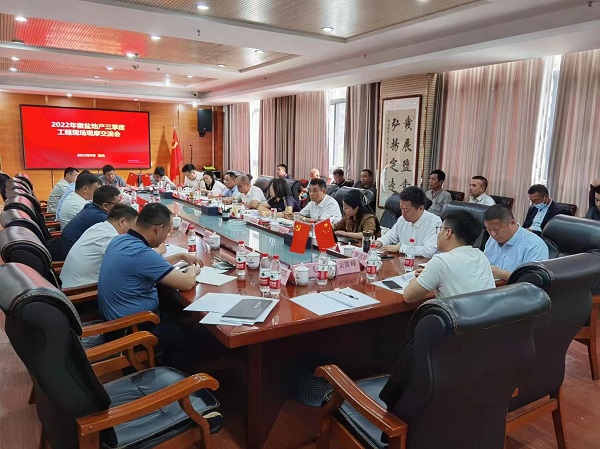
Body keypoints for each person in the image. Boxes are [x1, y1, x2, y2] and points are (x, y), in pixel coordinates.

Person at [97, 203, 204, 363]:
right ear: (158, 229)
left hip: (115, 321)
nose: (166, 236)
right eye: (168, 231)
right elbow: (187, 283)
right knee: (193, 338)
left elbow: (148, 265)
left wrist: (180, 256)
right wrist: (192, 270)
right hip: (134, 327)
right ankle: (174, 373)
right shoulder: (142, 253)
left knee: (176, 311)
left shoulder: (120, 240)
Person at [403, 210, 496, 303]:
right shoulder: (481, 255)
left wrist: (418, 279)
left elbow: (409, 296)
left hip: (457, 312)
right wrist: (429, 274)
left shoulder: (441, 261)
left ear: (448, 233)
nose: (438, 233)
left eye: (440, 229)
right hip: (488, 312)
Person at [60, 204, 138, 288]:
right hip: (79, 291)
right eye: (134, 227)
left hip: (66, 283)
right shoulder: (110, 237)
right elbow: (131, 263)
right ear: (122, 222)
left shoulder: (98, 226)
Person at [483, 205, 549, 280]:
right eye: (489, 229)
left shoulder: (535, 246)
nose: (493, 234)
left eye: (496, 229)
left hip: (515, 287)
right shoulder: (493, 238)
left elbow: (533, 280)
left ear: (512, 223)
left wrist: (504, 275)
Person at [56, 185, 121, 260]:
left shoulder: (90, 207)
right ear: (105, 206)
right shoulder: (99, 217)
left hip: (66, 249)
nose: (120, 207)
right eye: (118, 204)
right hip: (70, 257)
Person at [375, 186, 441, 258]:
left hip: (422, 263)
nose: (402, 213)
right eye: (401, 208)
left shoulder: (434, 222)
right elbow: (391, 236)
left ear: (420, 208)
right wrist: (380, 242)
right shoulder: (402, 219)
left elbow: (429, 251)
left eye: (406, 210)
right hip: (402, 260)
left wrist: (401, 248)